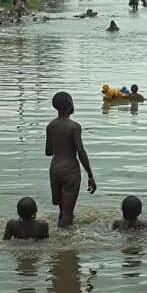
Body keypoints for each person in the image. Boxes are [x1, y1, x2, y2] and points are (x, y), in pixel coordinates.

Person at [45, 92, 96, 227]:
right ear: (70, 105)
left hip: (55, 167)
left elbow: (48, 151)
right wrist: (90, 175)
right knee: (68, 214)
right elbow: (81, 151)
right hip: (70, 168)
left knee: (62, 211)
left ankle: (58, 236)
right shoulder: (74, 126)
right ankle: (66, 244)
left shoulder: (50, 126)